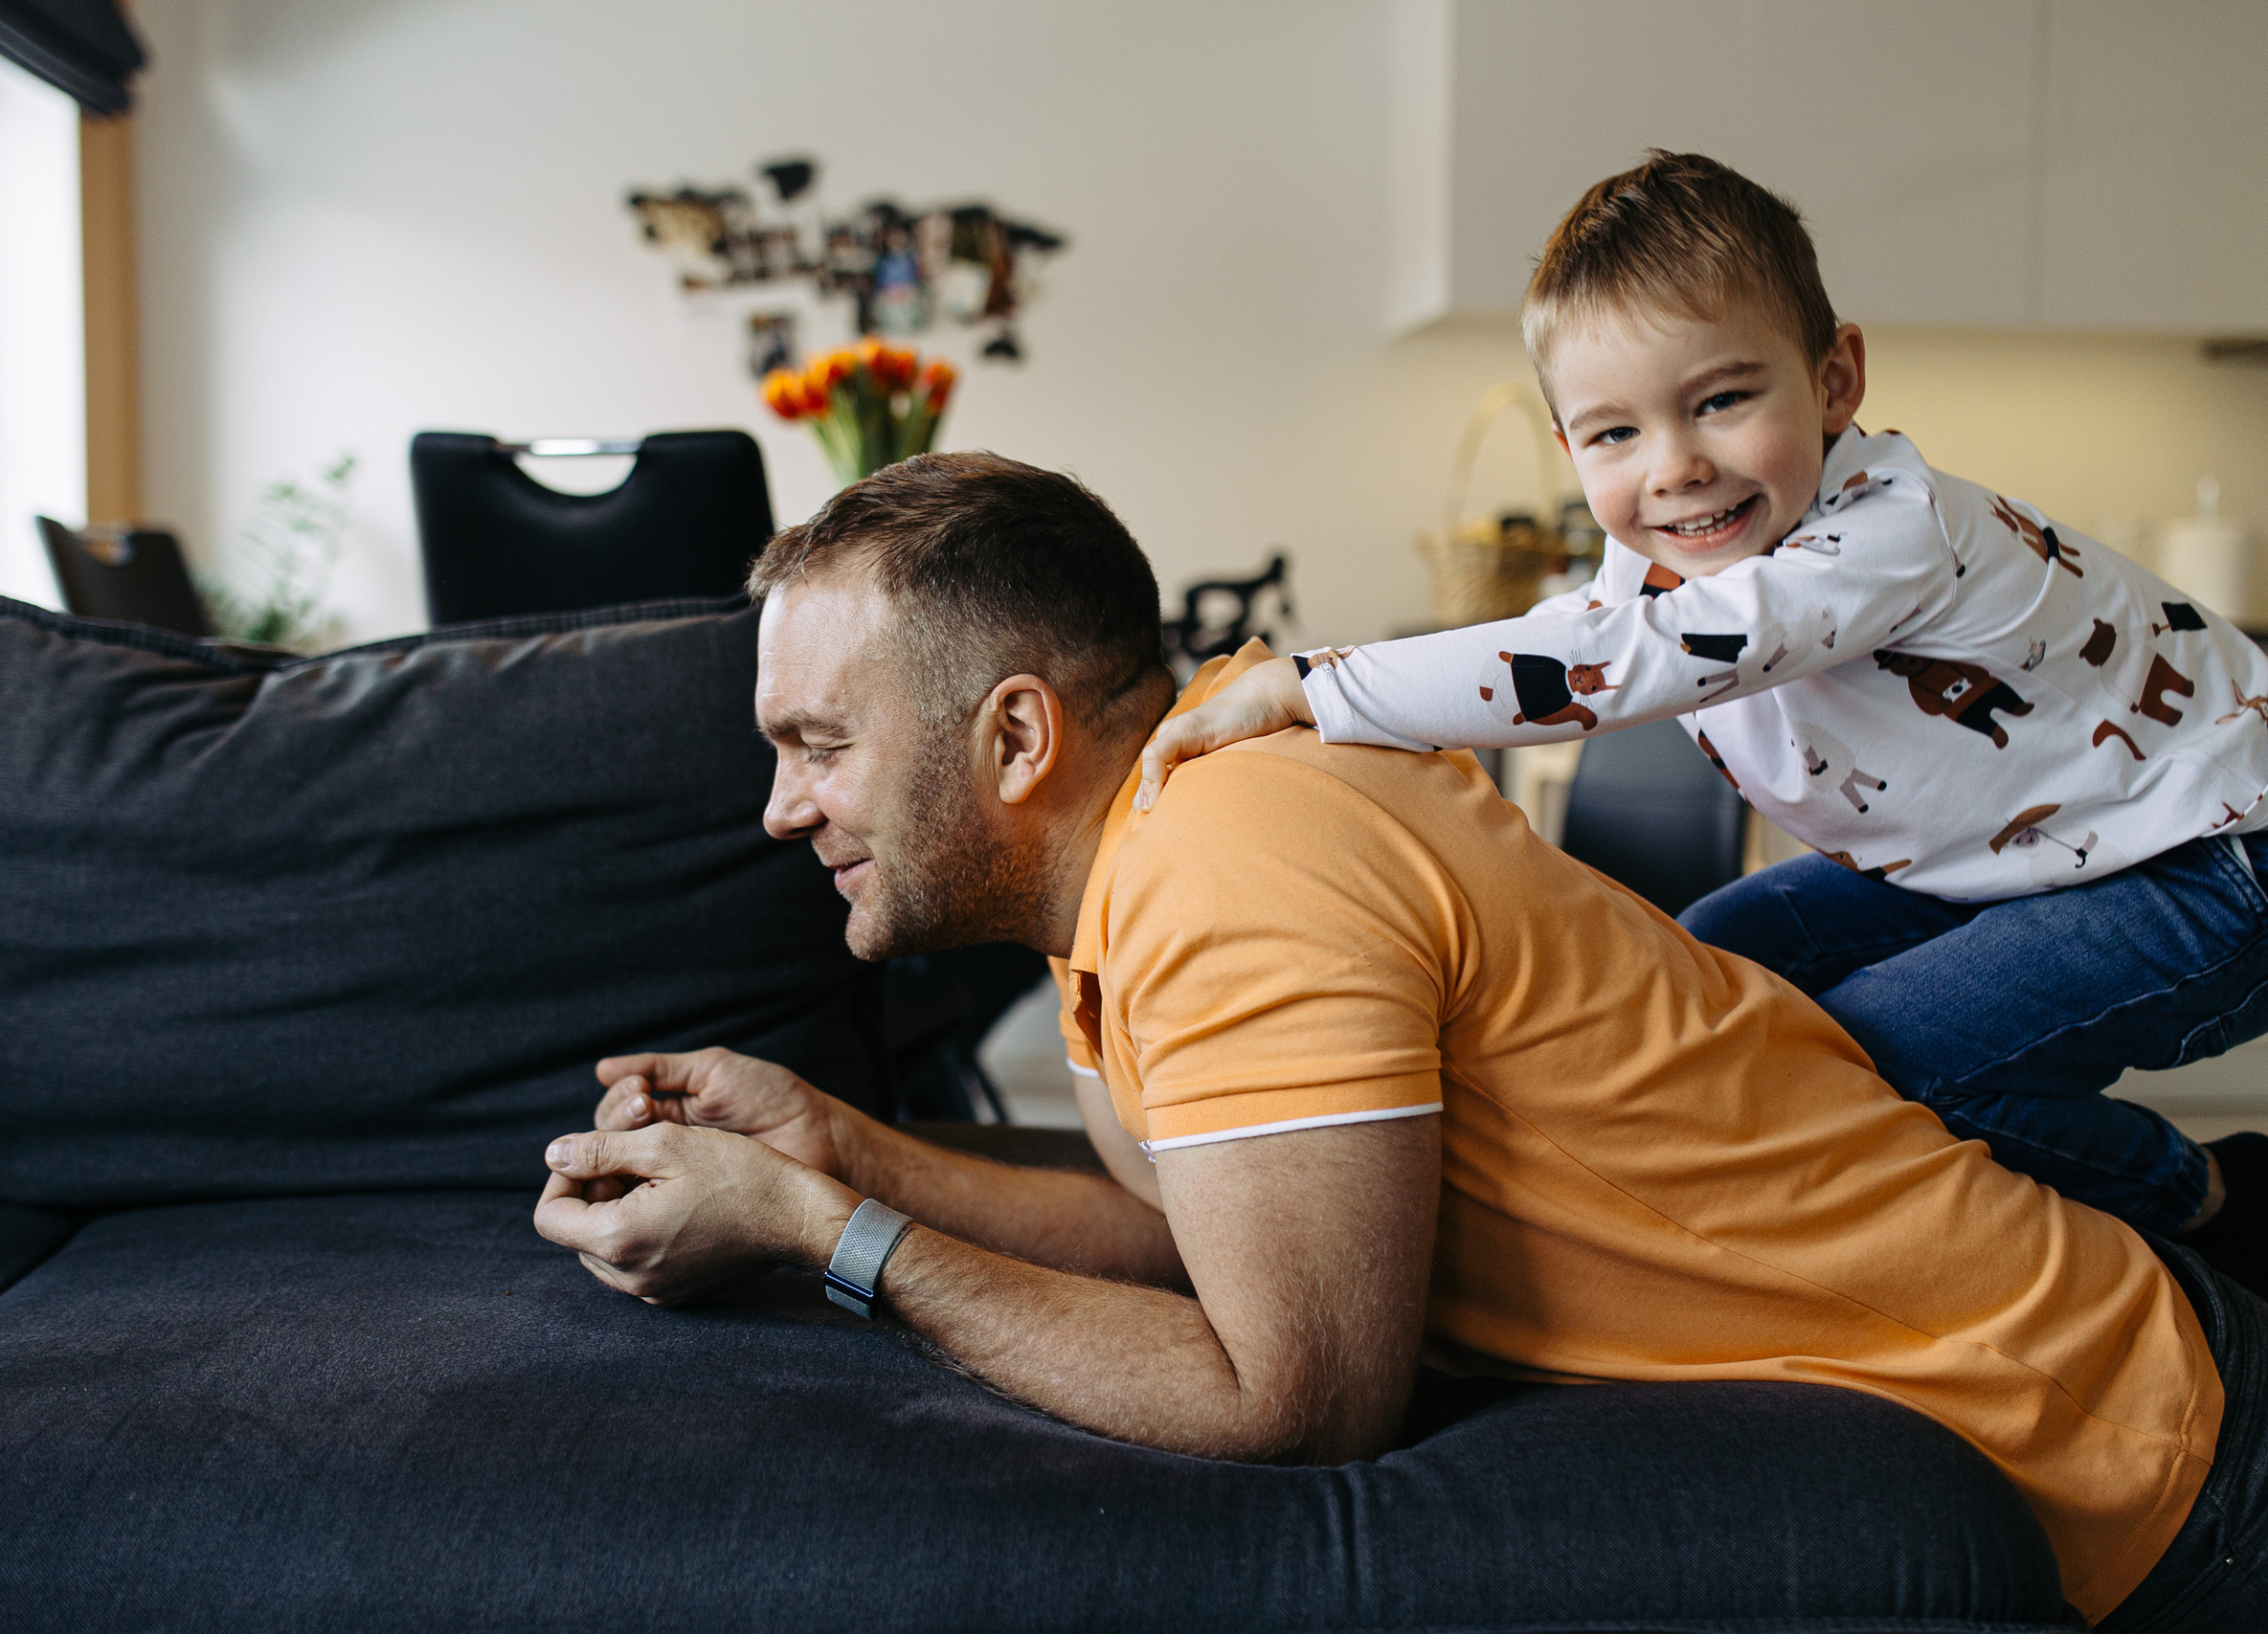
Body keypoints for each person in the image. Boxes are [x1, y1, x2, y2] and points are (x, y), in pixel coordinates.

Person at [534, 450, 2264, 1629]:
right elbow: (1208, 1238)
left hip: (2140, 1454)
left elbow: (1284, 1393)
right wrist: (839, 1145)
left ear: (1012, 737)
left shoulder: (1231, 861)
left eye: (818, 742)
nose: (781, 808)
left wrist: (829, 1241)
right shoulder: (1146, 864)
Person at [1131, 151, 2268, 1284]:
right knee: (1691, 978)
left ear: (1834, 381)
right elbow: (1577, 626)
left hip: (2212, 857)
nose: (1674, 467)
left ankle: (2218, 1201)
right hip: (2011, 859)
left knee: (1875, 1063)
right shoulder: (1654, 564)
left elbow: (1609, 662)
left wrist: (1311, 683)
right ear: (1569, 447)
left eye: (1722, 401)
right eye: (1614, 435)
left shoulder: (1890, 531)